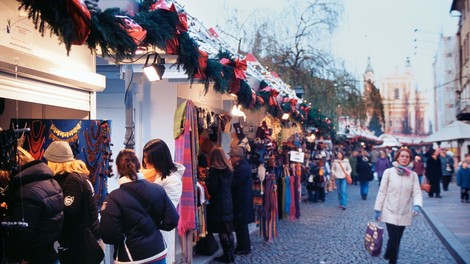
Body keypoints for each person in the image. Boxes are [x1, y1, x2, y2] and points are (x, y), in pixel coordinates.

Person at [100, 149, 179, 264]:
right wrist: (153, 226)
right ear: (139, 165)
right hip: (158, 252)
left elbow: (110, 235)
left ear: (117, 168)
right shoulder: (157, 189)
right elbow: (172, 220)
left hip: (131, 257)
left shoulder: (113, 198)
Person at [44, 141, 103, 264]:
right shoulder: (79, 177)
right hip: (85, 241)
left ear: (55, 162)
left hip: (80, 247)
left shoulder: (72, 181)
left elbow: (70, 214)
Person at [3, 147, 64, 264]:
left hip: (34, 258)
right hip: (49, 254)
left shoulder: (27, 192)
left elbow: (21, 236)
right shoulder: (51, 182)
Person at [374, 148, 423, 264]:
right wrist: (377, 209)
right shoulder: (389, 172)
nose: (404, 158)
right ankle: (393, 260)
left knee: (397, 238)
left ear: (410, 159)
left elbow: (416, 192)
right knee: (394, 237)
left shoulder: (413, 175)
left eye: (407, 157)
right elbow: (382, 192)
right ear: (397, 158)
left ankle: (389, 253)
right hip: (389, 210)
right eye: (402, 156)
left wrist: (417, 205)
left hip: (404, 212)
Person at [141, 139, 185, 264]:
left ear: (158, 158)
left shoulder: (172, 180)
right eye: (144, 157)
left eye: (148, 158)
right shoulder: (151, 174)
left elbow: (166, 209)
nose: (145, 161)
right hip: (147, 231)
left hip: (160, 231)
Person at [206, 147, 235, 263]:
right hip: (228, 201)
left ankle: (227, 256)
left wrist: (207, 181)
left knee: (222, 230)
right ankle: (231, 255)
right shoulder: (229, 169)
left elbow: (213, 187)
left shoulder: (214, 170)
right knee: (228, 229)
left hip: (218, 203)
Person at [228, 146, 254, 255]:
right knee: (241, 226)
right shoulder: (242, 165)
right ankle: (242, 246)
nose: (230, 159)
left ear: (238, 157)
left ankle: (243, 248)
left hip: (242, 201)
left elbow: (234, 182)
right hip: (242, 200)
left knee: (241, 225)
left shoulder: (242, 167)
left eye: (231, 157)